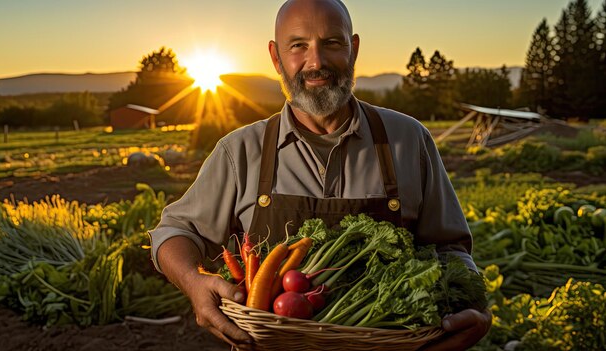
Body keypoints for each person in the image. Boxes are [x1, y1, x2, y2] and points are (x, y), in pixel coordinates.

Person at [149, 0, 492, 350]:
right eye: (298, 46)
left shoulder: (409, 139)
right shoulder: (240, 151)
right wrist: (193, 282)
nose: (317, 63)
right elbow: (175, 232)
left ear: (353, 48)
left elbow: (449, 248)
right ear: (276, 57)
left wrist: (475, 307)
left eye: (332, 43)